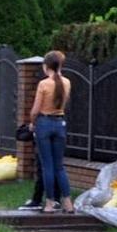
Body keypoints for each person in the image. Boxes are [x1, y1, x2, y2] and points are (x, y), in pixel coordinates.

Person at [30, 50, 73, 213]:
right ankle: (68, 202)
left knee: (47, 166)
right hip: (60, 123)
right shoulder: (67, 82)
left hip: (44, 123)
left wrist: (32, 123)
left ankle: (49, 203)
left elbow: (35, 110)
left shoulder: (43, 84)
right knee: (59, 166)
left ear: (46, 66)